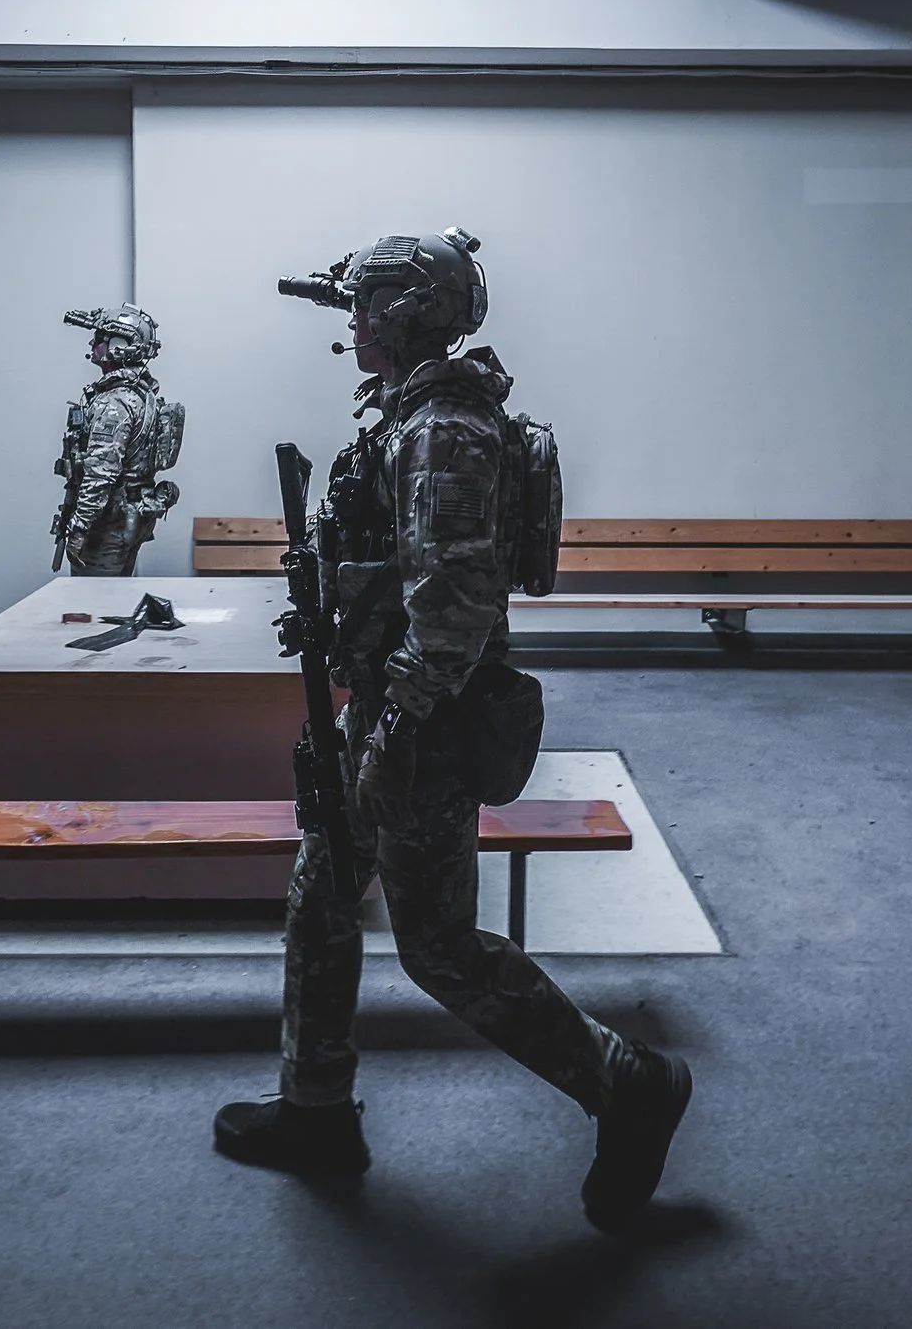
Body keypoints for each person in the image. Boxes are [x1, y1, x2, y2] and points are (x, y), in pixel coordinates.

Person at [215, 228, 690, 1232]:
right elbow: (394, 570)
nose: (351, 323)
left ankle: (627, 1082)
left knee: (438, 946)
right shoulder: (405, 415)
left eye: (364, 306)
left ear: (402, 314)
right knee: (322, 898)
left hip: (419, 721)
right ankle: (316, 1109)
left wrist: (396, 723)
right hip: (383, 706)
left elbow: (459, 600)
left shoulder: (444, 430)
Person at [51, 304, 183, 577]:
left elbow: (101, 473)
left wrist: (80, 527)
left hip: (106, 525)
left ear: (120, 345)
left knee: (94, 605)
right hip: (129, 520)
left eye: (100, 337)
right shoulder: (140, 394)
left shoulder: (116, 401)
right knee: (113, 602)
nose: (93, 343)